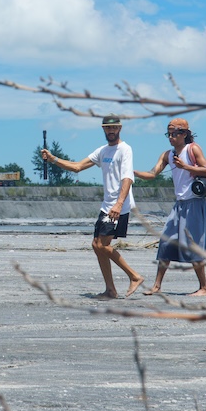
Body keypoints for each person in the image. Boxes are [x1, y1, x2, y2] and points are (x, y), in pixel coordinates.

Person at [41, 115, 145, 299]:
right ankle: (110, 290)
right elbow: (77, 167)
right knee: (96, 245)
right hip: (106, 205)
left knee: (102, 245)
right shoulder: (102, 151)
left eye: (114, 128)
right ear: (103, 129)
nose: (111, 131)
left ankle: (134, 276)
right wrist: (53, 159)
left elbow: (127, 178)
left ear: (119, 128)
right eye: (108, 128)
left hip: (118, 206)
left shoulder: (125, 149)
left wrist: (119, 204)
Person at [134, 118, 206, 297]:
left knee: (193, 245)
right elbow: (152, 174)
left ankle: (204, 288)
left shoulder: (193, 149)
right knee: (166, 242)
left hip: (194, 203)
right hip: (179, 205)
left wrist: (185, 166)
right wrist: (132, 173)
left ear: (184, 134)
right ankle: (156, 286)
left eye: (174, 134)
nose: (171, 137)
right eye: (168, 134)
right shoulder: (167, 155)